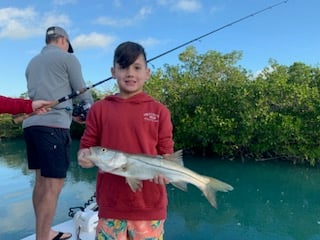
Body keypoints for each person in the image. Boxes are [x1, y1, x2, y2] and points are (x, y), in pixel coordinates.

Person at [78, 41, 174, 239]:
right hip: (110, 206)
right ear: (113, 71)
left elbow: (167, 153)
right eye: (123, 67)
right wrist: (84, 158)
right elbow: (86, 148)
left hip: (150, 207)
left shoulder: (160, 111)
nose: (130, 73)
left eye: (137, 68)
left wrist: (167, 174)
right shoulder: (99, 109)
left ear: (147, 73)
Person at [22, 26, 93, 240]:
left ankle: (43, 232)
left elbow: (46, 98)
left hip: (31, 125)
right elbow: (82, 91)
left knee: (41, 181)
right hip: (53, 129)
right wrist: (91, 110)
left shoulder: (31, 63)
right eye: (67, 45)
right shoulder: (68, 59)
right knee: (54, 184)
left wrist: (71, 116)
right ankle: (44, 237)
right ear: (63, 40)